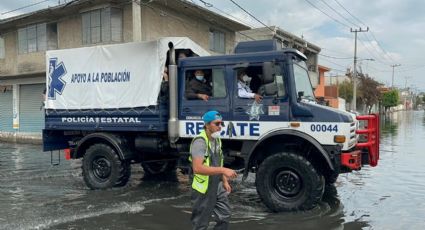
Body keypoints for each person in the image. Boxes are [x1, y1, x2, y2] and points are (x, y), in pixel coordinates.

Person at [189, 111, 237, 230]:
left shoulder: (216, 140)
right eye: (216, 124)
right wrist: (223, 170)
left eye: (221, 124)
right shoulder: (200, 142)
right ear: (207, 124)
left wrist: (224, 180)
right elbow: (197, 168)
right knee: (201, 223)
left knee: (224, 216)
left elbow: (218, 161)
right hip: (203, 188)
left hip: (217, 185)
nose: (220, 127)